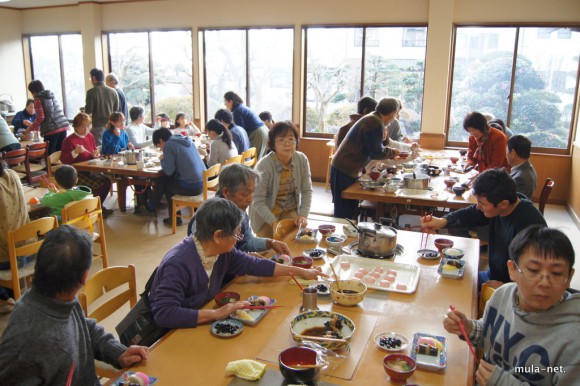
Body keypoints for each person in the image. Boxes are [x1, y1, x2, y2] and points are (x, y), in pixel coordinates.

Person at [0, 225, 149, 385]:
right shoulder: (27, 343)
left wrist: (118, 353)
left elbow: (84, 328)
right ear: (84, 278)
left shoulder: (58, 293)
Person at [148, 197, 325, 329]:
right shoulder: (179, 263)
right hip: (175, 332)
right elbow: (164, 314)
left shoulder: (221, 252)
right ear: (218, 236)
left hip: (202, 320)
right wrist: (216, 314)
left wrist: (299, 271)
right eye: (236, 235)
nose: (238, 240)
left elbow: (254, 264)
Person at [443, 225, 579, 386]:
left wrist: (502, 382)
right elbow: (490, 335)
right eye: (534, 270)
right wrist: (468, 327)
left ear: (569, 277)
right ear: (512, 270)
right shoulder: (503, 295)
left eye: (556, 273)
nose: (544, 283)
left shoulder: (573, 341)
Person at [421, 168, 547, 288]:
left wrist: (510, 288)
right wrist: (443, 221)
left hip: (510, 286)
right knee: (446, 280)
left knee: (457, 289)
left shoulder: (529, 226)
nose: (478, 207)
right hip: (492, 275)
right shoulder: (507, 202)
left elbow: (540, 275)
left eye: (482, 203)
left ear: (503, 204)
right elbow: (472, 213)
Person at [187, 163, 291, 256]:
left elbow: (247, 241)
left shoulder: (237, 208)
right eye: (245, 193)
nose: (250, 199)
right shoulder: (210, 216)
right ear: (226, 192)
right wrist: (245, 260)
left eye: (252, 192)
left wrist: (270, 243)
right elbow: (207, 257)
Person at [330, 97, 401, 219]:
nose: (395, 117)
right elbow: (376, 153)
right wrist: (393, 153)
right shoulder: (374, 122)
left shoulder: (374, 118)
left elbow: (377, 145)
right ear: (391, 114)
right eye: (396, 114)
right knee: (344, 213)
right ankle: (341, 237)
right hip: (343, 169)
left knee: (349, 210)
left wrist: (387, 145)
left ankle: (347, 235)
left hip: (344, 169)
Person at [250, 121, 312, 238]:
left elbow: (307, 190)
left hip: (290, 212)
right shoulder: (264, 165)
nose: (287, 144)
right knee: (267, 252)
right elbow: (257, 200)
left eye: (290, 139)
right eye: (281, 140)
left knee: (295, 245)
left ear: (296, 141)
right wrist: (274, 223)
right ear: (273, 143)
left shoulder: (301, 159)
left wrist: (303, 215)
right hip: (266, 216)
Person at [146, 128, 206, 226]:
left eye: (159, 146)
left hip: (191, 187)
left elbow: (169, 171)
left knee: (165, 183)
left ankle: (173, 217)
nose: (161, 149)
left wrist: (162, 159)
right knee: (165, 180)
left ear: (161, 141)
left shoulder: (169, 145)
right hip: (202, 184)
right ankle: (153, 204)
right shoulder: (186, 140)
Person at [60, 113, 113, 216]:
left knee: (107, 181)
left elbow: (92, 154)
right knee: (100, 184)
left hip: (89, 170)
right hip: (76, 173)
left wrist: (95, 154)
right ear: (75, 126)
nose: (86, 129)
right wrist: (75, 152)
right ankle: (94, 207)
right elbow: (64, 160)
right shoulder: (69, 140)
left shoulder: (90, 136)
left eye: (88, 126)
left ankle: (98, 206)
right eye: (82, 126)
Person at [0, 159, 28, 312]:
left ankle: (5, 298)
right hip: (27, 249)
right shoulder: (13, 174)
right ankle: (9, 294)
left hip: (7, 258)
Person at [26, 80, 69, 155]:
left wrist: (29, 129)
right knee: (60, 155)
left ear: (33, 91)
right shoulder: (50, 96)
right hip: (63, 126)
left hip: (51, 130)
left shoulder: (37, 99)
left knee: (50, 156)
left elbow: (40, 117)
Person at [224, 91, 269, 161]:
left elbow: (240, 130)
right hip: (263, 130)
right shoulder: (241, 107)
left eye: (225, 101)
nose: (225, 104)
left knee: (254, 162)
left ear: (231, 101)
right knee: (259, 161)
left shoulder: (237, 111)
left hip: (257, 133)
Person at [85, 68, 119, 145]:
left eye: (91, 78)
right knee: (110, 149)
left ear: (93, 78)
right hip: (111, 126)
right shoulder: (113, 91)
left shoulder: (91, 92)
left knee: (100, 151)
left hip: (97, 127)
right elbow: (116, 110)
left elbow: (88, 111)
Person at [507, 135, 537, 199]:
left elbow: (512, 204)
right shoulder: (528, 167)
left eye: (506, 151)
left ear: (513, 153)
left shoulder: (520, 179)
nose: (506, 154)